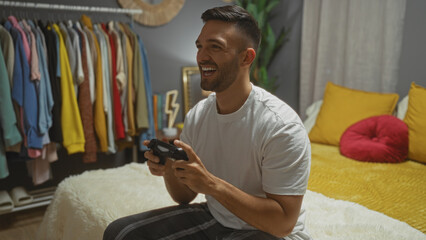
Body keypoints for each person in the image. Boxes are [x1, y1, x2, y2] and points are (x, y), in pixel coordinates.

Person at [103, 5, 311, 240]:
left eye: (215, 47)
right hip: (217, 216)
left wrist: (211, 186)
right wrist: (170, 168)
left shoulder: (282, 127)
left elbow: (282, 223)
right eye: (200, 46)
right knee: (119, 233)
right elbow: (183, 197)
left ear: (246, 57)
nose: (202, 56)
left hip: (268, 232)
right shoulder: (198, 115)